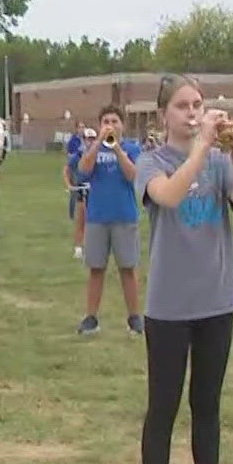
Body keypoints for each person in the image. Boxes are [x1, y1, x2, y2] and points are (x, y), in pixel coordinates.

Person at [133, 73, 233, 464]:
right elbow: (166, 196)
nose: (192, 112)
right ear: (164, 113)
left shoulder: (223, 158)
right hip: (168, 305)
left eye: (198, 104)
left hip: (217, 299)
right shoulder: (150, 161)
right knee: (163, 406)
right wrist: (202, 148)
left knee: (207, 405)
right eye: (183, 106)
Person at [73, 105, 143, 336]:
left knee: (127, 268)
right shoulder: (93, 148)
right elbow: (83, 170)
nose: (110, 125)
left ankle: (135, 318)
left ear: (123, 125)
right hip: (97, 217)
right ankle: (91, 318)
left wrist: (118, 150)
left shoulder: (132, 148)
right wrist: (97, 144)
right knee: (96, 268)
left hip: (124, 216)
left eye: (114, 121)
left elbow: (134, 176)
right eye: (106, 121)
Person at [64, 128, 89, 259]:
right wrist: (69, 184)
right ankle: (78, 248)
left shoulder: (98, 152)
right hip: (82, 187)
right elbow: (67, 169)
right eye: (87, 138)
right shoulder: (78, 155)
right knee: (81, 219)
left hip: (95, 189)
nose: (89, 141)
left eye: (92, 138)